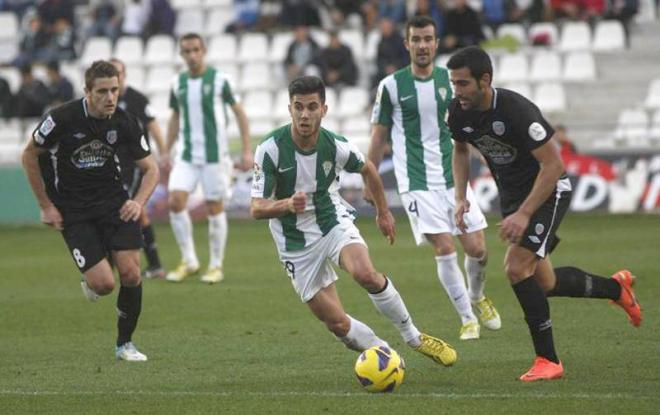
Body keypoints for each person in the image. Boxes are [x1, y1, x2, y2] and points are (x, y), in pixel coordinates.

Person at [446, 46, 641, 381]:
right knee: (545, 282)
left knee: (516, 267)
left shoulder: (517, 111)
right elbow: (461, 149)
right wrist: (461, 197)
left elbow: (554, 165)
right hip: (514, 197)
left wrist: (523, 214)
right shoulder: (458, 111)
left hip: (549, 191)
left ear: (485, 80)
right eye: (454, 84)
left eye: (463, 84)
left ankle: (548, 360)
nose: (457, 92)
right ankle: (616, 288)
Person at [251, 75, 457, 366]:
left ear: (324, 109)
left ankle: (414, 336)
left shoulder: (335, 145)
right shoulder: (270, 149)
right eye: (298, 107)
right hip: (294, 243)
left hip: (332, 221)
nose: (305, 114)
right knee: (336, 324)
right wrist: (286, 204)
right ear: (289, 109)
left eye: (312, 107)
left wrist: (383, 213)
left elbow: (369, 170)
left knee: (365, 273)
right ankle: (386, 354)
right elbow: (256, 208)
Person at [369, 16, 501, 341]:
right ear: (407, 44)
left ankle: (476, 295)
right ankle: (467, 318)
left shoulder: (453, 81)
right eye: (416, 39)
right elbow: (378, 137)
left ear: (437, 42)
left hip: (452, 175)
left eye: (428, 39)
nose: (423, 45)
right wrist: (370, 182)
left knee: (478, 248)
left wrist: (487, 153)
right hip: (415, 182)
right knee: (443, 247)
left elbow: (469, 125)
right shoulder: (390, 86)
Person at [21, 60, 160, 361]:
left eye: (114, 90)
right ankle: (92, 275)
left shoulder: (125, 121)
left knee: (131, 273)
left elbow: (151, 169)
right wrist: (46, 205)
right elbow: (29, 155)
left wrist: (138, 201)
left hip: (115, 204)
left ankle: (125, 344)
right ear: (87, 91)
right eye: (102, 92)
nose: (110, 97)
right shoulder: (61, 119)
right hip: (74, 210)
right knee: (104, 284)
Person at [165, 33, 252, 284]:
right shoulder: (177, 82)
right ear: (181, 55)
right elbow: (174, 117)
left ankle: (215, 265)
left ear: (203, 51)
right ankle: (189, 260)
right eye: (186, 51)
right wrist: (166, 149)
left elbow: (240, 115)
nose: (191, 55)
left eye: (195, 50)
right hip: (187, 154)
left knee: (214, 208)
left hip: (215, 156)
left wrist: (246, 151)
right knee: (175, 201)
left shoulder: (220, 80)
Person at [111, 58, 168, 279]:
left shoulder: (136, 99)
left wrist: (163, 154)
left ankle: (114, 263)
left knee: (127, 208)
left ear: (124, 75)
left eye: (118, 73)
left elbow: (153, 126)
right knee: (138, 212)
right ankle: (155, 266)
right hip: (112, 165)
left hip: (135, 165)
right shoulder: (104, 101)